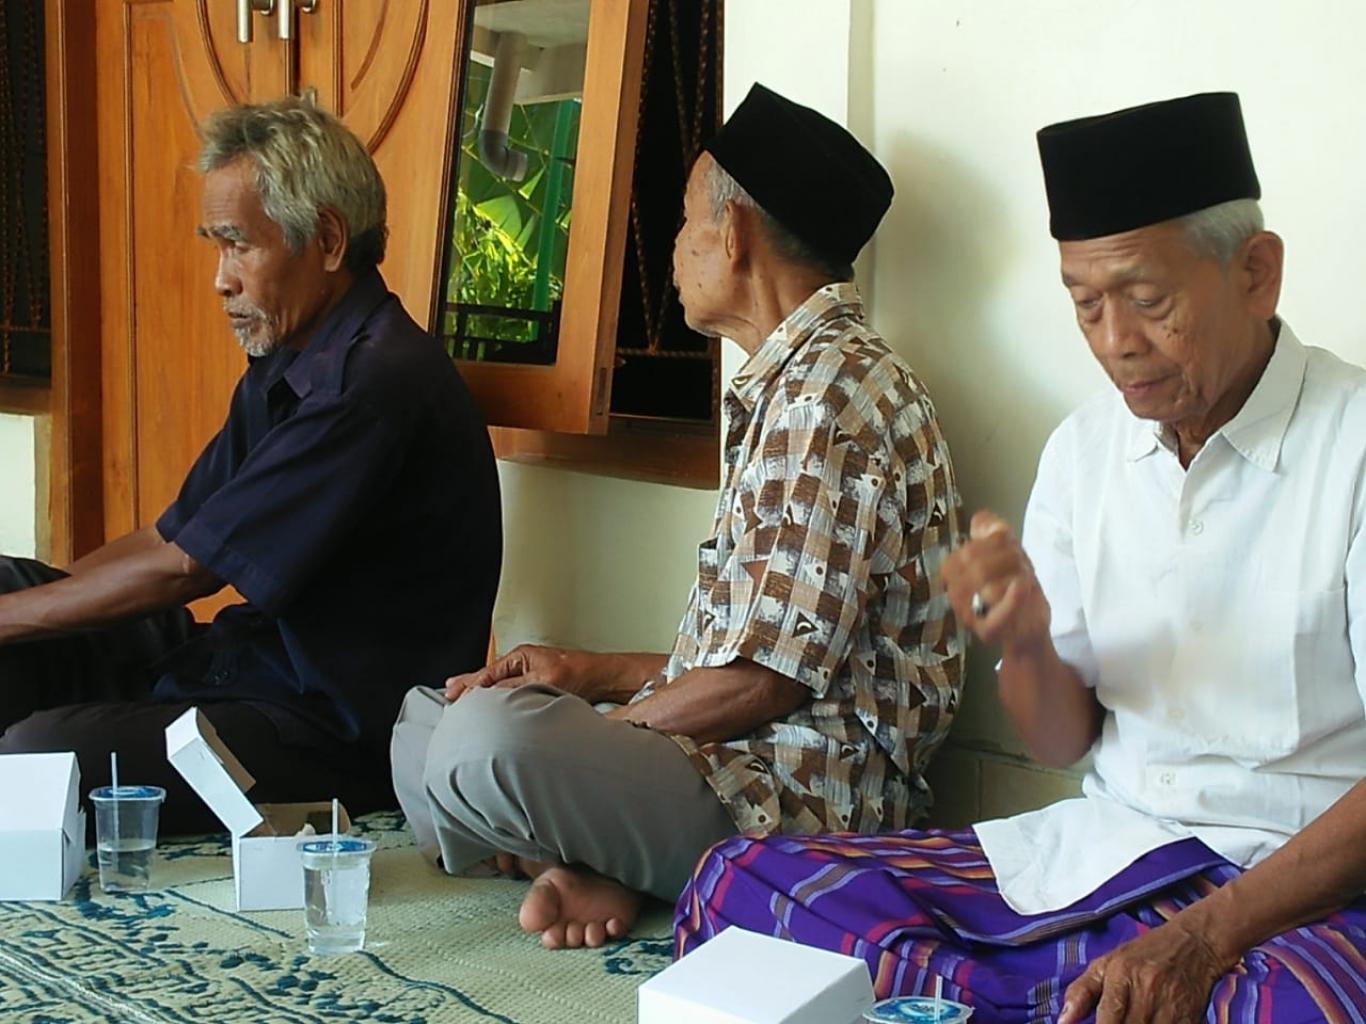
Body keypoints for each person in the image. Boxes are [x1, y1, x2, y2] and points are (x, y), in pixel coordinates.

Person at [675, 91, 1366, 1022]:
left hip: (1298, 889)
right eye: (1086, 306)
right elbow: (1061, 741)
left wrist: (1205, 940)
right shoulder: (1085, 451)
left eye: (1148, 302)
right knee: (739, 887)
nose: (1117, 344)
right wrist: (1029, 639)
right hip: (1112, 855)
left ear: (1256, 274)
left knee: (1288, 1009)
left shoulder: (1354, 444)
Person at [391, 83, 965, 951]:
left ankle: (589, 851)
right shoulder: (794, 382)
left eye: (687, 219)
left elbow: (766, 686)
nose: (676, 243)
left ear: (732, 233)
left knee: (487, 741)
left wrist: (596, 735)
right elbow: (754, 658)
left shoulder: (830, 397)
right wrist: (586, 672)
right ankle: (597, 856)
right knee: (426, 719)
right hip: (732, 754)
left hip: (804, 797)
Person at [0, 97, 502, 834]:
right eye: (217, 248)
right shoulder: (287, 360)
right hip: (235, 663)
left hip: (325, 729)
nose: (221, 280)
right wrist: (34, 612)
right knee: (12, 587)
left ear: (327, 239)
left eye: (239, 246)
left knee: (37, 756)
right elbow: (168, 537)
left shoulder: (369, 384)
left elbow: (187, 571)